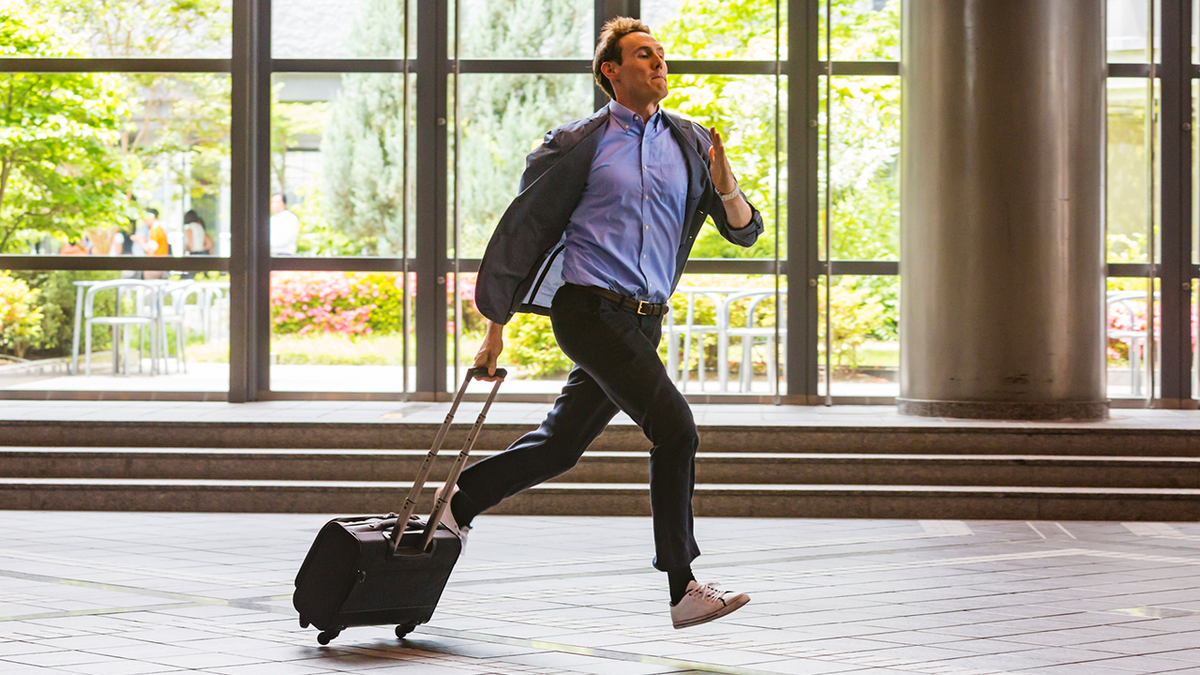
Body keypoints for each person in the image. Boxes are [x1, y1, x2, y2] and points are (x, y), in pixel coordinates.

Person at [443, 17, 764, 630]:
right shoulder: (576, 142)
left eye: (661, 55)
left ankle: (463, 498)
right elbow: (526, 231)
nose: (658, 63)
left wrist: (724, 185)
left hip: (644, 322)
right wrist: (494, 327)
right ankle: (682, 585)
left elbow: (745, 231)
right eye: (643, 55)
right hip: (588, 311)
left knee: (561, 445)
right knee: (677, 430)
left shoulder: (692, 143)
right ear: (610, 71)